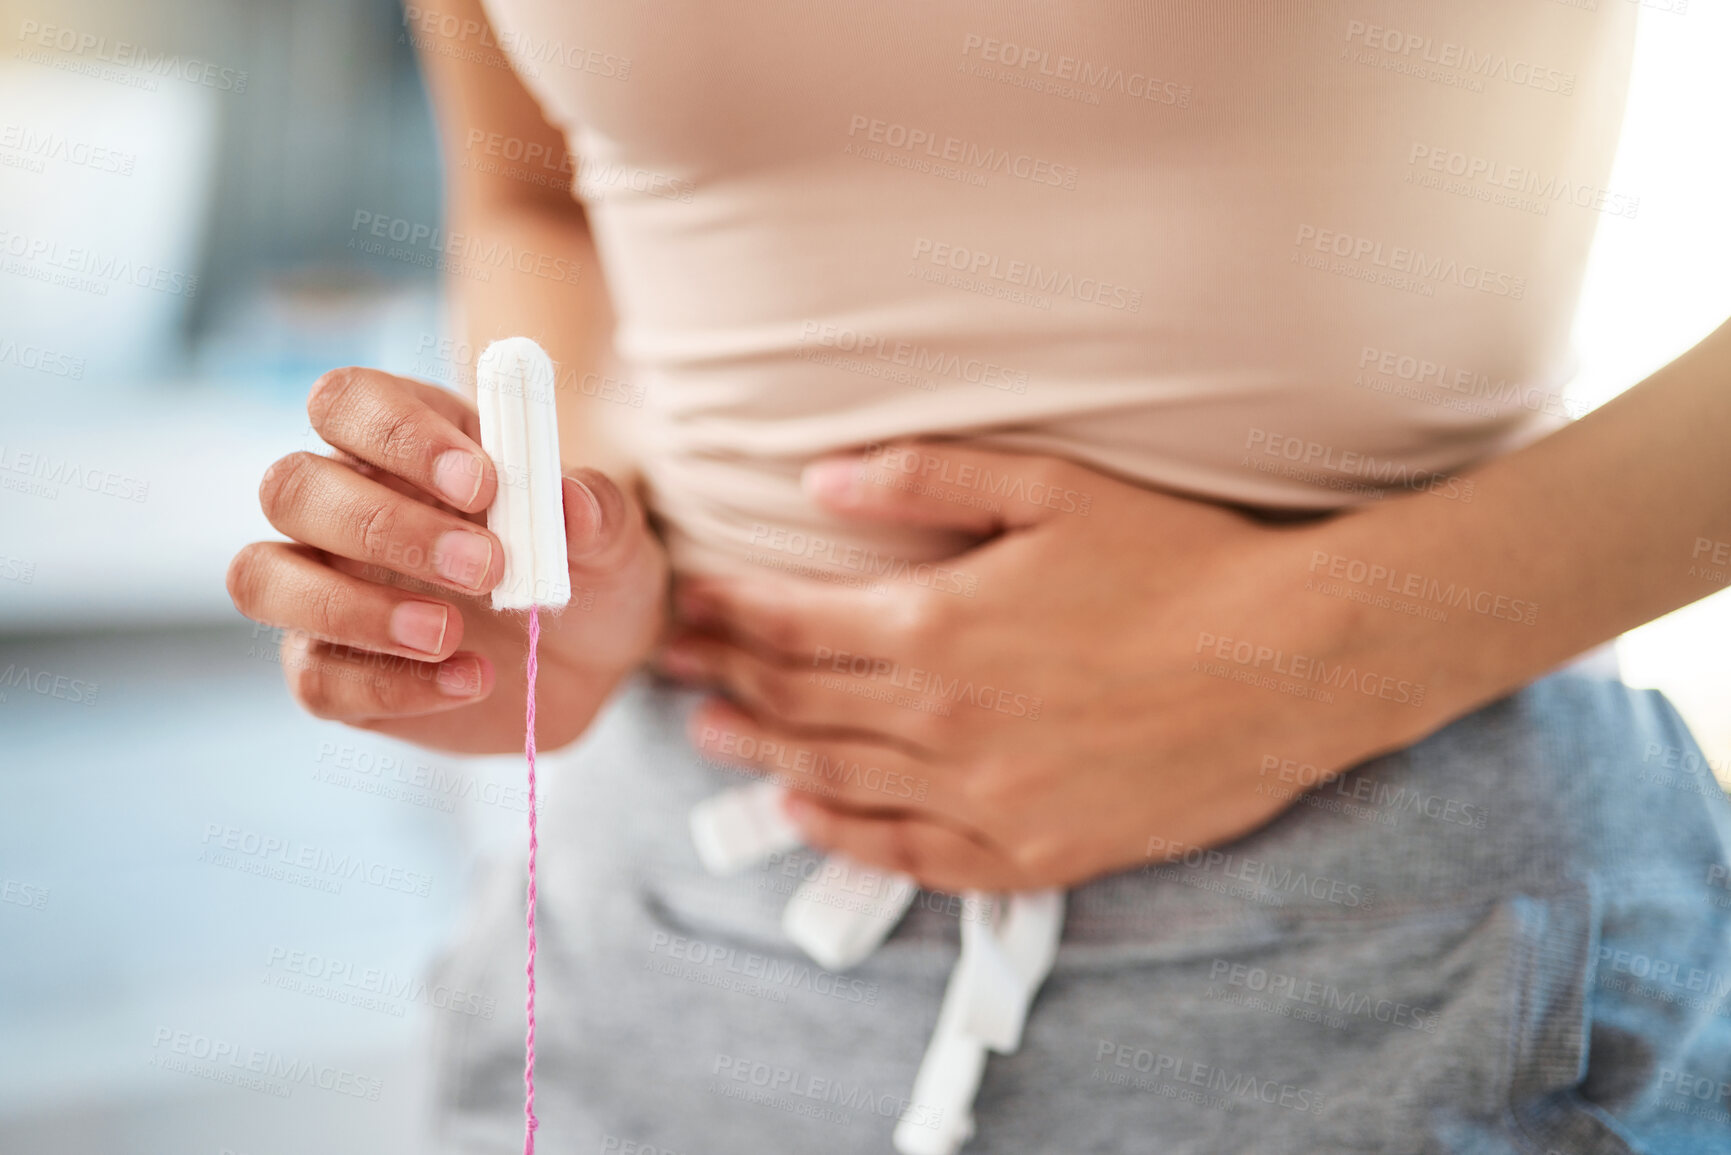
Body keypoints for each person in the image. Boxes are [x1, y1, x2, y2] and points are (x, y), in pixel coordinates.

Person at [226, 1, 1731, 1150]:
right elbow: (538, 194)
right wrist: (560, 565)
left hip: (1409, 972)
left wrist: (1317, 650)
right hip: (664, 943)